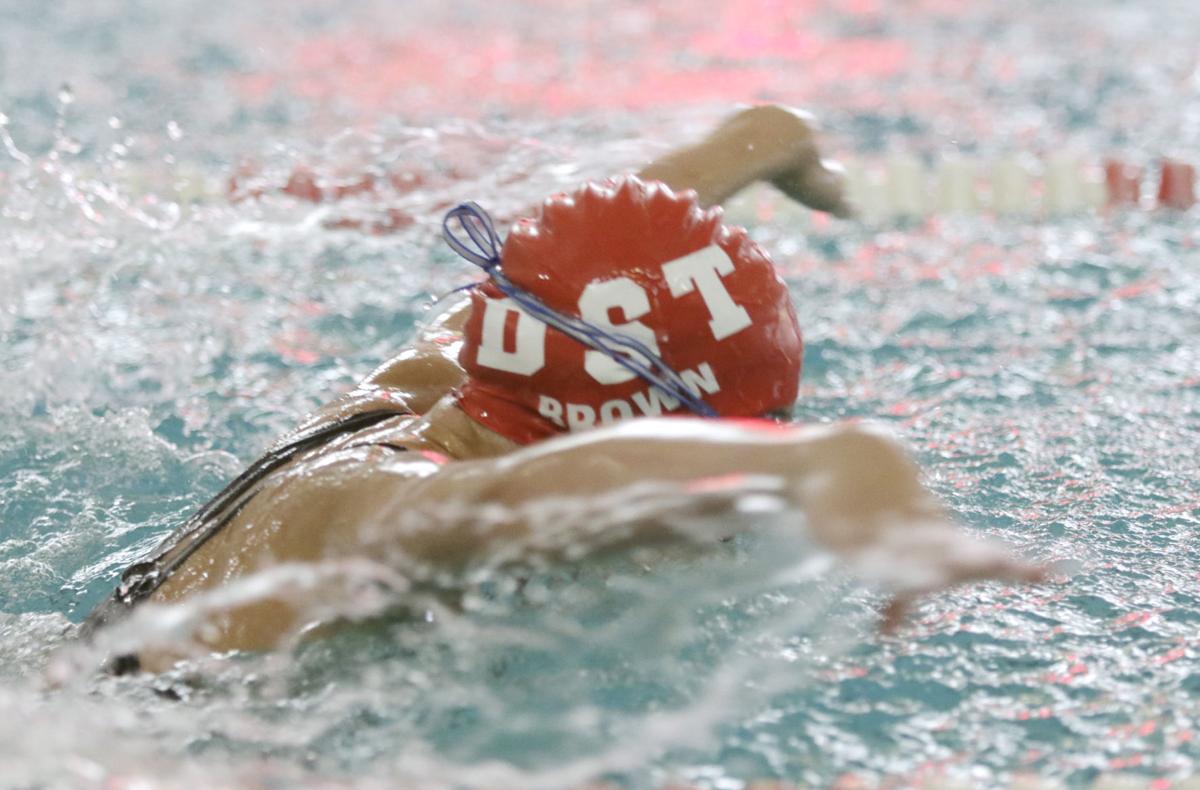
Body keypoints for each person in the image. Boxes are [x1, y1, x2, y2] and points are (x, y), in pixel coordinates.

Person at [81, 105, 1042, 672]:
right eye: (745, 426)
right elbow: (514, 497)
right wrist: (821, 459)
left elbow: (592, 248)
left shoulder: (460, 364)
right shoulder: (378, 505)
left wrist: (766, 137)